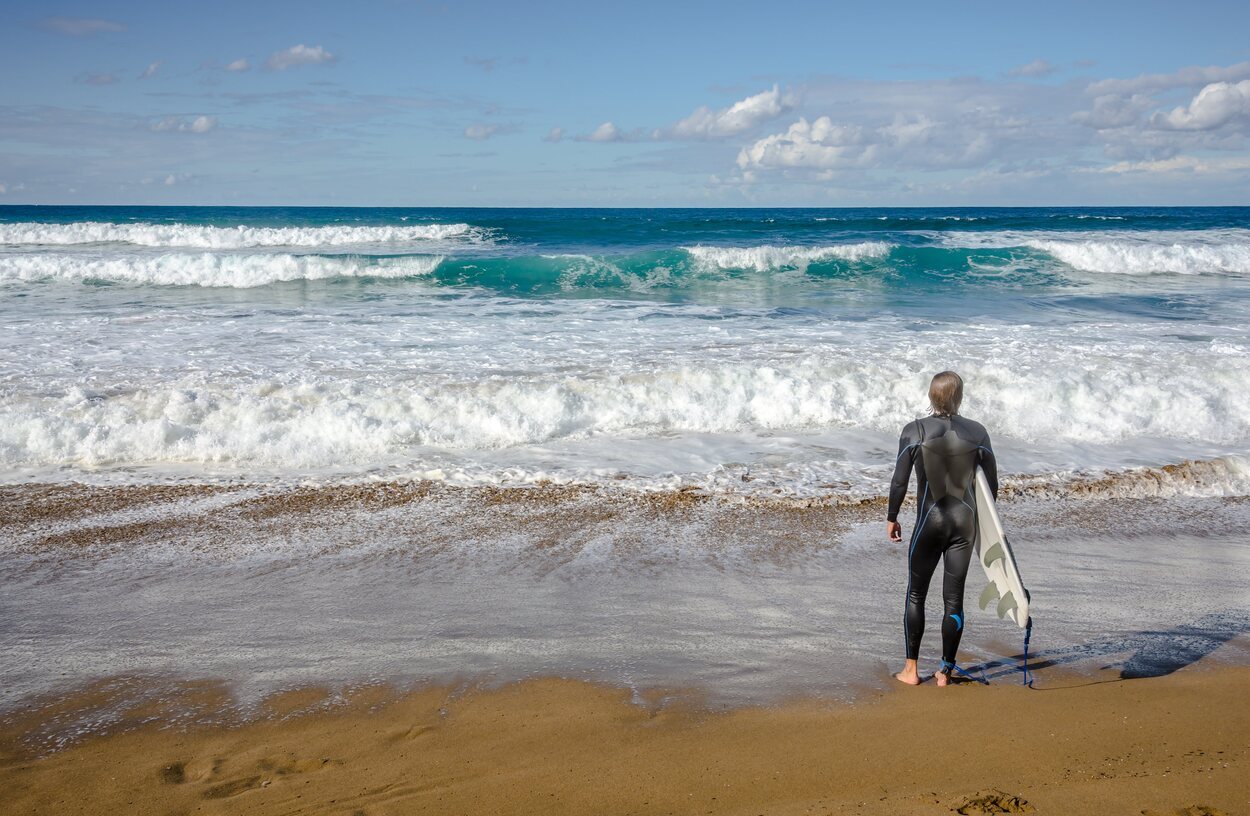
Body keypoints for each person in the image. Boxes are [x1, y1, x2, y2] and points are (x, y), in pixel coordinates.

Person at [886, 371, 997, 686]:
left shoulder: (914, 431)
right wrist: (984, 527)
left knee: (916, 594)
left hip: (929, 523)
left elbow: (899, 480)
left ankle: (910, 670)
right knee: (954, 599)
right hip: (965, 525)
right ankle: (945, 672)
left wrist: (892, 516)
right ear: (959, 397)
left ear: (931, 397)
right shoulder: (978, 432)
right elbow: (992, 486)